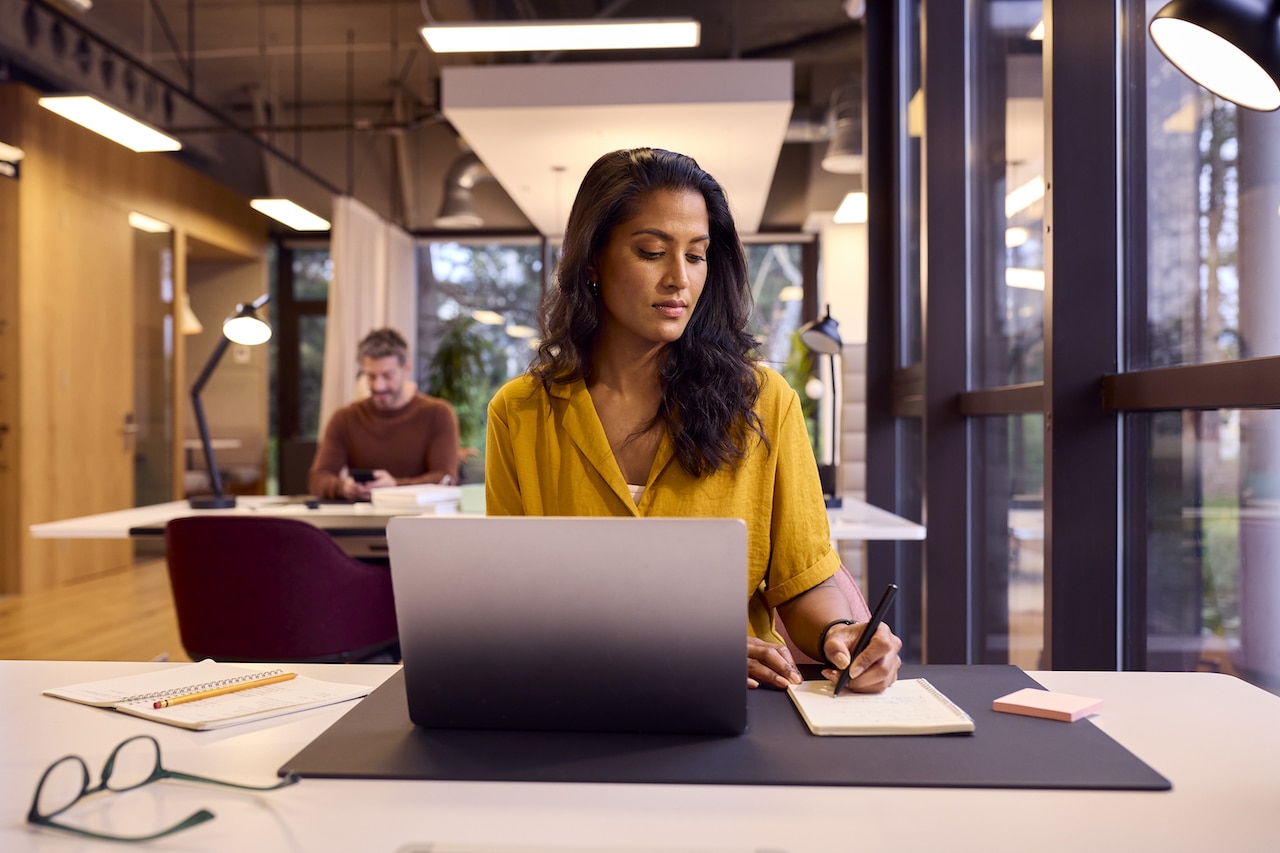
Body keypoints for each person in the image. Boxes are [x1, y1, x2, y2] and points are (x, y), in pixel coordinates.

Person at [485, 148, 902, 693]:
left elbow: (803, 581)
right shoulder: (520, 413)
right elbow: (508, 604)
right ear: (592, 260)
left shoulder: (763, 401)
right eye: (652, 251)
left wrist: (840, 633)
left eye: (697, 255)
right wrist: (680, 651)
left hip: (732, 708)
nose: (678, 278)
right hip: (574, 704)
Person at [309, 327, 460, 501]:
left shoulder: (438, 414)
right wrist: (343, 487)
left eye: (387, 376)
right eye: (371, 376)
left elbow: (446, 479)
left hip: (419, 522)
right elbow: (318, 478)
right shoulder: (345, 418)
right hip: (361, 522)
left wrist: (395, 486)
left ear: (406, 368)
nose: (378, 386)